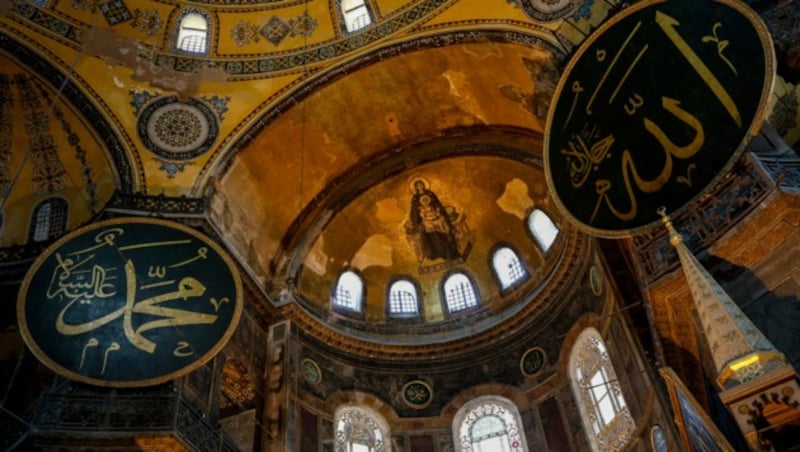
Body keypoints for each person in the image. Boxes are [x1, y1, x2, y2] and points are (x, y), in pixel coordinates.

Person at [406, 179, 460, 262]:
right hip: (425, 220)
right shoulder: (415, 198)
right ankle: (436, 253)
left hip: (436, 217)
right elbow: (414, 211)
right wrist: (418, 218)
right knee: (431, 233)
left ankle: (450, 252)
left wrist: (438, 211)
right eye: (418, 185)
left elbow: (437, 204)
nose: (420, 186)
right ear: (416, 187)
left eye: (421, 184)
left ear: (424, 185)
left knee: (444, 227)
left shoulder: (430, 194)